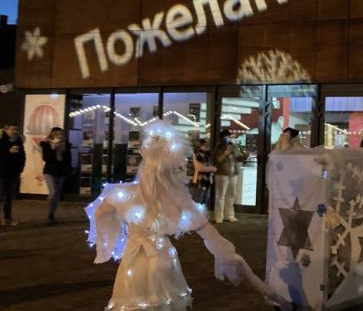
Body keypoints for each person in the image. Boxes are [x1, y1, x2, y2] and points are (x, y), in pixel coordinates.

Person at [85, 122, 249, 310]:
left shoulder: (124, 194)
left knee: (132, 303)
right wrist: (226, 252)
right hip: (162, 257)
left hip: (132, 262)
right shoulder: (175, 199)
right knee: (164, 302)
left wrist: (110, 240)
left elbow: (101, 214)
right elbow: (205, 230)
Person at [213, 130, 248, 223]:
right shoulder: (218, 147)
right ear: (222, 138)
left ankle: (230, 215)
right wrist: (226, 153)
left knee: (232, 195)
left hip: (233, 173)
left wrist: (241, 151)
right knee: (221, 195)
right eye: (227, 137)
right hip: (222, 173)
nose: (229, 138)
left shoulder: (234, 147)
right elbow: (218, 160)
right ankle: (219, 216)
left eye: (229, 136)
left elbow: (240, 157)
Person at [39, 127, 72, 224]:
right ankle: (49, 208)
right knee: (53, 191)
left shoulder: (65, 144)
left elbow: (68, 159)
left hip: (62, 171)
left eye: (61, 134)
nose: (59, 135)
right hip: (50, 171)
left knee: (57, 194)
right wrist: (53, 149)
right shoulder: (46, 144)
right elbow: (46, 159)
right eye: (57, 133)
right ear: (52, 135)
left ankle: (51, 214)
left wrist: (68, 168)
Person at [0, 124, 25, 226]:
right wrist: (8, 151)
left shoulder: (18, 140)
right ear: (6, 130)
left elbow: (23, 156)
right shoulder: (1, 139)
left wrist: (20, 169)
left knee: (8, 197)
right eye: (12, 129)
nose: (14, 131)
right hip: (1, 172)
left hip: (12, 173)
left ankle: (7, 218)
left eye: (16, 129)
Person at [192, 139, 216, 207]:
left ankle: (202, 214)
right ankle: (196, 215)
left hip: (208, 179)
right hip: (200, 179)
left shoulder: (208, 154)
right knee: (198, 199)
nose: (207, 146)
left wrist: (211, 169)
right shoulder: (197, 154)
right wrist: (212, 168)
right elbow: (199, 168)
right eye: (205, 144)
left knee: (205, 199)